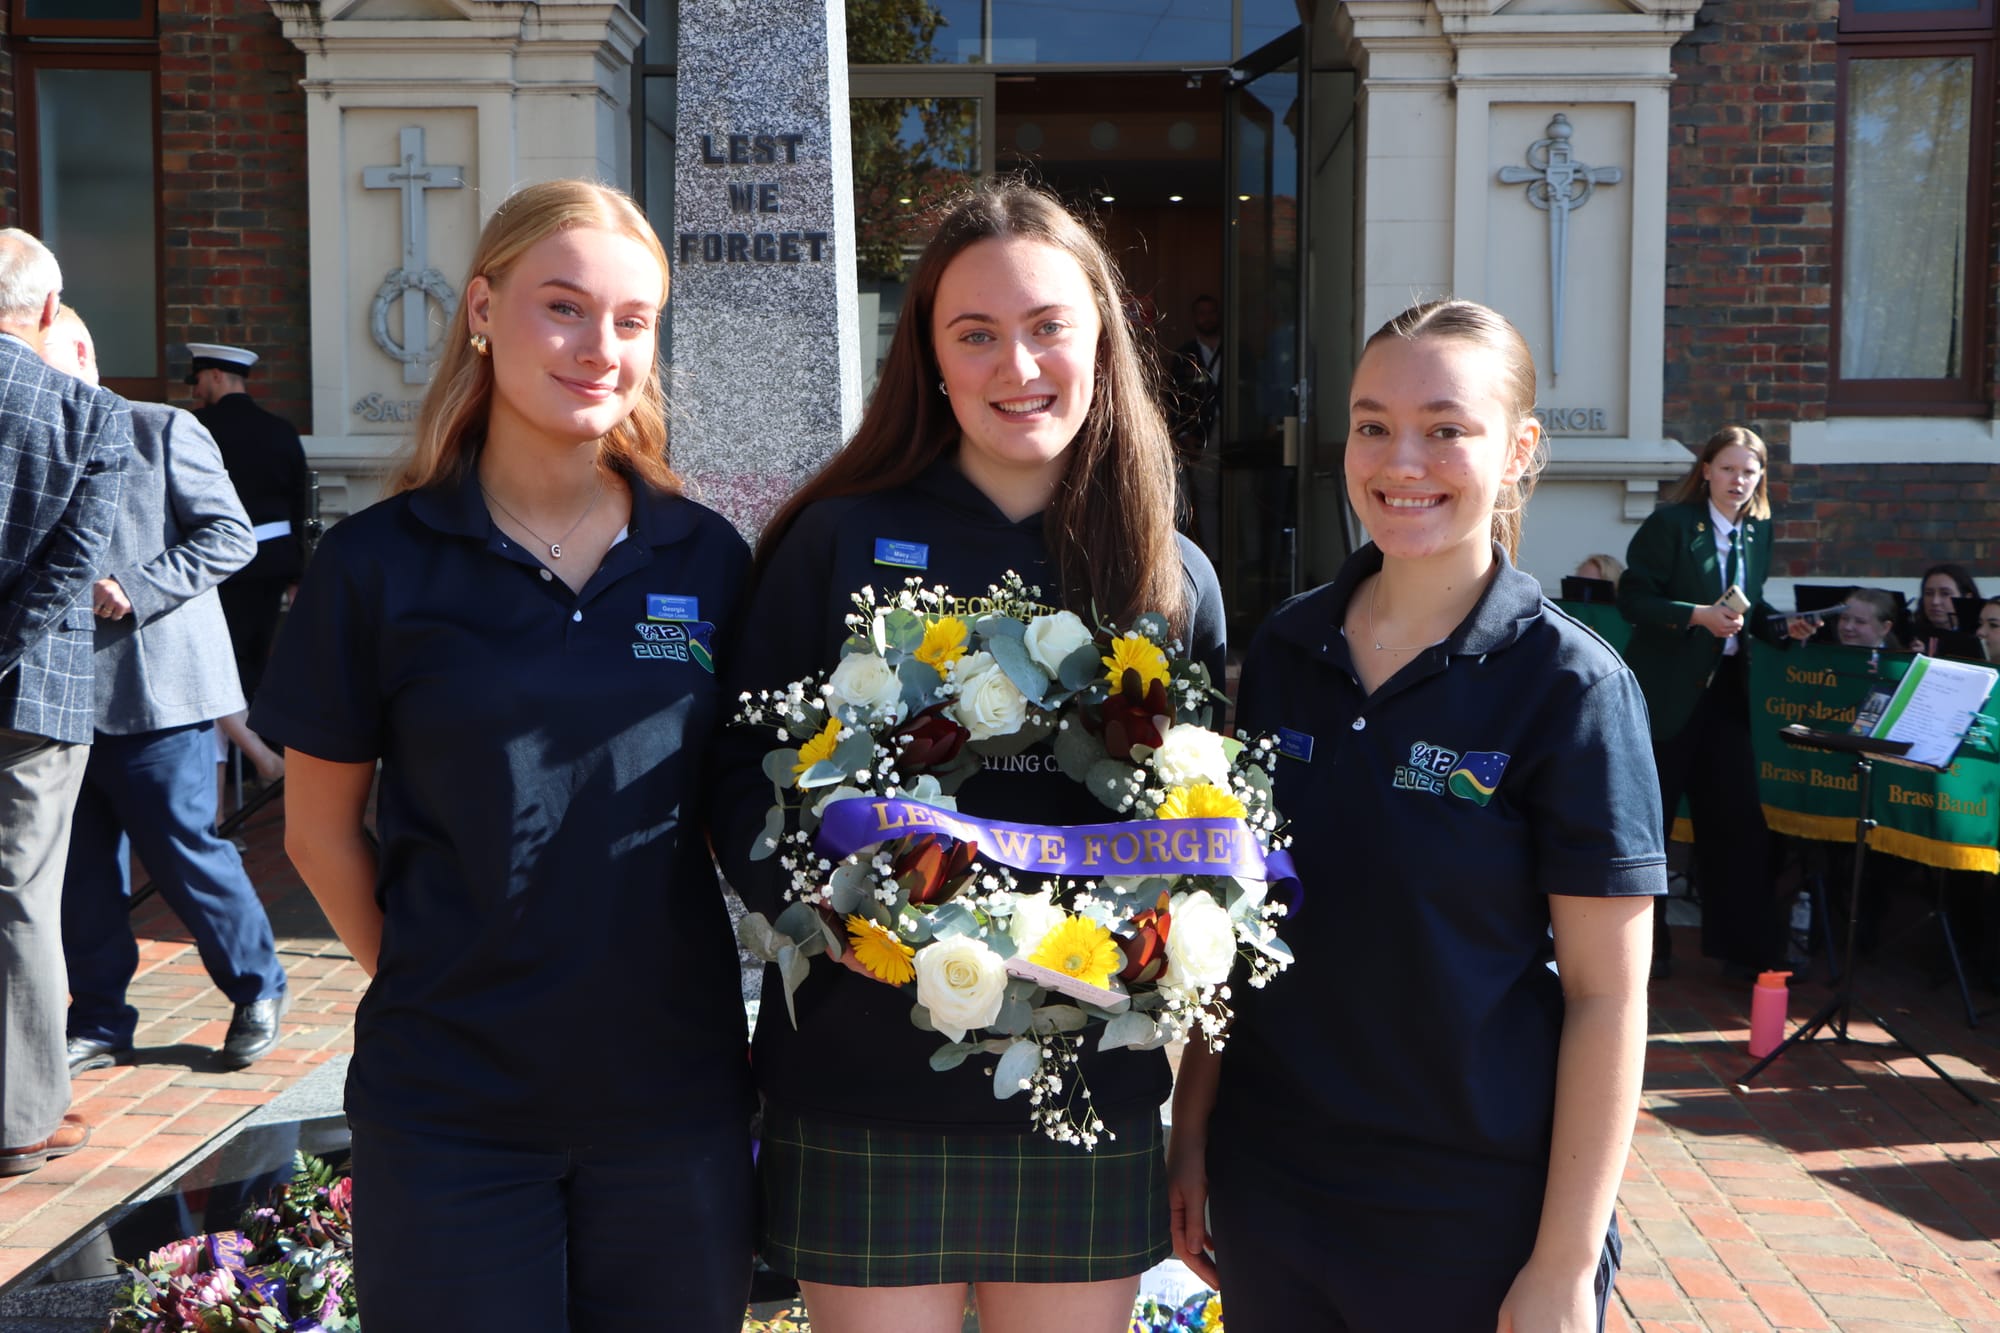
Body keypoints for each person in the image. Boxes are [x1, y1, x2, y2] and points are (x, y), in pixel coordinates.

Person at [715, 179, 1224, 1333]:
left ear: (1101, 338)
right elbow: (742, 774)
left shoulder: (1167, 571)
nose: (1017, 366)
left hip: (1083, 1080)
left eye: (1048, 328)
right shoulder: (833, 539)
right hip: (861, 1071)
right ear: (928, 357)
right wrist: (842, 923)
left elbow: (1206, 826)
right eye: (975, 334)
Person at [249, 181, 754, 1331]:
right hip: (450, 1109)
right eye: (563, 308)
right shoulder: (379, 565)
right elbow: (319, 832)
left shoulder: (703, 556)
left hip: (671, 1101)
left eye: (632, 321)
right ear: (482, 307)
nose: (600, 348)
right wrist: (438, 980)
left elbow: (741, 806)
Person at [1167, 299, 1661, 1332]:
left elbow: (1607, 1000)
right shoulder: (1287, 656)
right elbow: (1232, 932)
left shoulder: (1569, 689)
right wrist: (1192, 1137)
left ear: (1520, 449)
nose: (1402, 459)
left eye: (1446, 428)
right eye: (1372, 423)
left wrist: (1565, 1263)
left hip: (1469, 1211)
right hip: (1277, 1193)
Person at [39, 308, 291, 1076]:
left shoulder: (162, 429)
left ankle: (257, 987)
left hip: (158, 695)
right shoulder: (27, 439)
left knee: (185, 856)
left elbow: (231, 535)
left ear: (79, 349)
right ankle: (101, 1020)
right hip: (57, 699)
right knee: (81, 873)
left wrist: (134, 587)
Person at [0, 229, 129, 1178]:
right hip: (31, 696)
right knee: (19, 898)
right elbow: (66, 578)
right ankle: (19, 1119)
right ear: (49, 312)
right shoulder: (90, 418)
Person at [1618, 425, 1812, 981]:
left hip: (1725, 692)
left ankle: (1746, 950)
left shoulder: (1758, 532)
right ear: (1706, 471)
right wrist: (1696, 615)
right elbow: (1633, 598)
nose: (1739, 480)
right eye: (1728, 469)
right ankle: (1645, 953)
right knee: (1649, 825)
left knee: (1736, 821)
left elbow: (1747, 605)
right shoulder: (1672, 525)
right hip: (1668, 692)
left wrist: (1782, 628)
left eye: (1749, 472)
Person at [189, 342, 308, 707]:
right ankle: (259, 752)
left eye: (197, 381)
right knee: (259, 656)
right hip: (272, 560)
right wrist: (297, 573)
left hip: (216, 562)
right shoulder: (281, 430)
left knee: (221, 661)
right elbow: (299, 503)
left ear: (215, 375)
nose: (195, 391)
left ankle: (241, 754)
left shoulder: (198, 427)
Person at [1169, 293, 1224, 550]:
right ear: (1194, 318)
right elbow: (1173, 397)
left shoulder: (1236, 348)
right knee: (1200, 496)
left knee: (1239, 497)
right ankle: (1206, 559)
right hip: (1199, 432)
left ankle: (1233, 558)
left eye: (1211, 312)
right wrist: (1183, 434)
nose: (1207, 318)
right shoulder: (1184, 356)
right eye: (1202, 313)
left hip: (1235, 430)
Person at [1907, 563, 1977, 657]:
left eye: (1945, 593)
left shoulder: (1979, 636)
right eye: (1929, 593)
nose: (1935, 602)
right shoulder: (1910, 635)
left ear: (1967, 598)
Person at [1835, 587, 1902, 651]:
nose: (1848, 627)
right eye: (1844, 618)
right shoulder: (1828, 656)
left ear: (1884, 628)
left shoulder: (1902, 661)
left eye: (1860, 621)